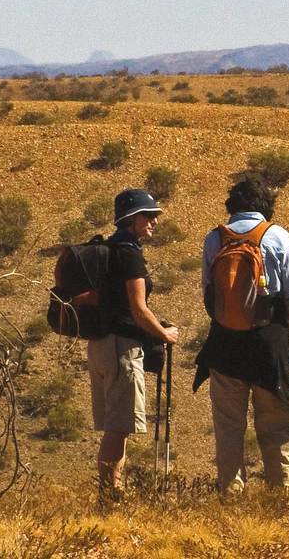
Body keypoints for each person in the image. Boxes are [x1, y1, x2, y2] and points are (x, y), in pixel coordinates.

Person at [194, 177, 289, 495]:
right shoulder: (277, 236)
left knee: (229, 427)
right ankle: (281, 502)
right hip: (268, 344)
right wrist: (281, 325)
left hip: (224, 344)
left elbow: (207, 292)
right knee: (275, 427)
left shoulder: (214, 239)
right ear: (265, 206)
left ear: (232, 205)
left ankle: (230, 502)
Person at [89, 189, 181, 498]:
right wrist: (164, 334)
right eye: (149, 216)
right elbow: (139, 310)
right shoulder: (129, 253)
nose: (154, 221)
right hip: (121, 348)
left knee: (116, 425)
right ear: (132, 219)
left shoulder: (110, 248)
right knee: (120, 425)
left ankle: (110, 493)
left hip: (100, 344)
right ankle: (111, 496)